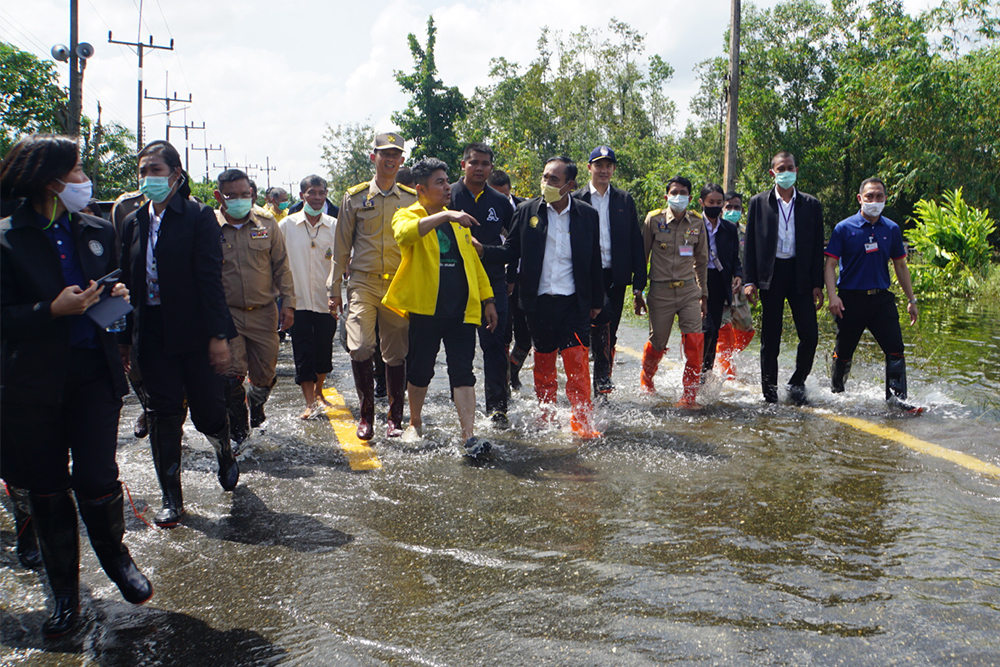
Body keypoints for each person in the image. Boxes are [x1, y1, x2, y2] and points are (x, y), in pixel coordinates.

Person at [1, 134, 153, 638]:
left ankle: (116, 558)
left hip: (93, 371)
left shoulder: (94, 229)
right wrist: (51, 310)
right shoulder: (7, 237)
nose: (85, 180)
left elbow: (104, 285)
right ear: (50, 179)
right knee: (46, 485)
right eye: (77, 171)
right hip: (31, 382)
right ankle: (65, 592)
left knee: (95, 475)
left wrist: (113, 295)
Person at [119, 140, 238, 528]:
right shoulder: (132, 221)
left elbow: (210, 279)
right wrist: (124, 339)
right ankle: (172, 498)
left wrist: (219, 335)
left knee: (206, 412)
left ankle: (224, 450)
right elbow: (126, 279)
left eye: (155, 170)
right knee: (162, 414)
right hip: (151, 335)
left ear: (175, 174)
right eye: (142, 171)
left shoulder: (197, 217)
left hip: (195, 332)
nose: (148, 178)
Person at [383, 158, 498, 457]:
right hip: (425, 311)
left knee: (463, 372)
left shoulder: (458, 221)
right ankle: (415, 422)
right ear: (421, 189)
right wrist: (446, 216)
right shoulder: (407, 215)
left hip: (461, 311)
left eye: (447, 181)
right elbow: (406, 235)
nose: (448, 186)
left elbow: (474, 264)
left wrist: (488, 300)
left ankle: (468, 436)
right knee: (421, 370)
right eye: (440, 182)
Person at [488, 156, 603, 438]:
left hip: (574, 303)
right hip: (538, 303)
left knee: (577, 362)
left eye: (554, 179)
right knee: (544, 362)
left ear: (570, 185)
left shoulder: (587, 215)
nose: (547, 184)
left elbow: (594, 262)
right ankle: (546, 415)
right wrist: (483, 250)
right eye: (545, 177)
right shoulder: (528, 211)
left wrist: (597, 302)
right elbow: (511, 250)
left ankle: (582, 422)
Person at [328, 133, 416, 440]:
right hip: (363, 282)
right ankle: (366, 415)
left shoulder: (410, 198)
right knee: (362, 345)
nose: (390, 159)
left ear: (402, 160)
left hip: (398, 284)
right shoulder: (354, 197)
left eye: (396, 155)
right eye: (384, 154)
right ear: (373, 157)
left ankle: (395, 418)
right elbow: (341, 247)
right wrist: (333, 291)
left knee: (396, 354)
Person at [214, 169, 295, 444]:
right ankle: (239, 433)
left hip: (264, 312)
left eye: (245, 195)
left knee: (264, 375)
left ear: (253, 195)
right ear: (218, 196)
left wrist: (289, 304)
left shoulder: (267, 222)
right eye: (231, 196)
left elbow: (282, 266)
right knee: (231, 375)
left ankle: (255, 403)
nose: (239, 200)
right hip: (228, 315)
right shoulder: (209, 226)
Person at [824, 177, 920, 409]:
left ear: (885, 199)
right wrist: (832, 296)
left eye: (879, 196)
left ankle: (897, 401)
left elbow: (900, 266)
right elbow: (829, 265)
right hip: (850, 300)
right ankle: (837, 393)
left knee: (895, 349)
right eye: (869, 196)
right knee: (844, 352)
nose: (874, 200)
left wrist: (911, 300)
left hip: (881, 300)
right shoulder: (844, 228)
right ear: (860, 199)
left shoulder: (891, 229)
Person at [744, 151, 825, 405]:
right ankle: (770, 393)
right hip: (771, 274)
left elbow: (816, 249)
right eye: (781, 168)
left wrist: (817, 284)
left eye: (790, 167)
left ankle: (797, 382)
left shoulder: (811, 205)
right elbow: (750, 246)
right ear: (773, 173)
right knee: (771, 338)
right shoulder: (758, 202)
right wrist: (749, 280)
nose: (786, 172)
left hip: (800, 274)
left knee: (810, 335)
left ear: (796, 170)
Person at [572, 146, 646, 395]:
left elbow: (636, 241)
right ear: (589, 167)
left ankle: (602, 382)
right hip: (584, 275)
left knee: (610, 330)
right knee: (588, 325)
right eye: (599, 165)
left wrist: (639, 282)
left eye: (608, 166)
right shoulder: (577, 198)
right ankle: (593, 378)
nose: (604, 170)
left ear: (613, 169)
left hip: (614, 274)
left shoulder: (623, 200)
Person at [451, 142, 514, 426]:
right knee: (459, 347)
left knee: (495, 343)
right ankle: (463, 409)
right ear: (463, 164)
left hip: (494, 282)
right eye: (473, 162)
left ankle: (497, 407)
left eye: (485, 164)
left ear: (491, 167)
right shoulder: (448, 196)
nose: (479, 168)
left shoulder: (501, 202)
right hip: (454, 282)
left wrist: (509, 273)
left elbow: (515, 246)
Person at [639, 176, 708, 408]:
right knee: (658, 342)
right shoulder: (653, 219)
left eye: (683, 193)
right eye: (674, 192)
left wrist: (703, 294)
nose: (679, 197)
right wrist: (637, 291)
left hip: (689, 290)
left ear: (690, 197)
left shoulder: (698, 223)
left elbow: (701, 260)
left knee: (695, 341)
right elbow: (643, 256)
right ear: (667, 195)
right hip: (660, 292)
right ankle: (647, 380)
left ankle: (689, 396)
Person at [279, 175, 338, 419]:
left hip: (326, 301)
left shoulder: (335, 225)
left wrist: (337, 294)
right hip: (297, 299)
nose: (316, 197)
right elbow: (278, 262)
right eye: (312, 192)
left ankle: (319, 391)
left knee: (324, 350)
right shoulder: (287, 226)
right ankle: (309, 402)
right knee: (303, 350)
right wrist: (283, 300)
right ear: (302, 195)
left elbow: (342, 261)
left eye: (321, 193)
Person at [112, 187, 152, 438]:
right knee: (135, 368)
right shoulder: (127, 210)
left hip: (180, 310)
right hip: (136, 303)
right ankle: (149, 408)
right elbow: (118, 266)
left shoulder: (195, 211)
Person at [488, 169, 531, 390]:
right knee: (502, 334)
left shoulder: (525, 208)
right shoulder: (483, 208)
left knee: (525, 337)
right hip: (497, 280)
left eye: (503, 196)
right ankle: (504, 380)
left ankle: (512, 369)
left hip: (523, 280)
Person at [698, 183, 743, 376]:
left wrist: (739, 275)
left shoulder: (729, 229)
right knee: (702, 329)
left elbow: (734, 258)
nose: (715, 206)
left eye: (718, 202)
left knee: (713, 331)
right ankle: (694, 370)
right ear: (702, 202)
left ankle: (705, 374)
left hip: (719, 282)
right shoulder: (693, 225)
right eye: (711, 202)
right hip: (697, 280)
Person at [714, 191, 756, 379]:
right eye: (728, 207)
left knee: (746, 326)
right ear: (722, 208)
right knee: (723, 328)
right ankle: (726, 370)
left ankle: (724, 356)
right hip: (720, 288)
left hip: (740, 291)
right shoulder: (715, 229)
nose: (732, 210)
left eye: (736, 207)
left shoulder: (747, 233)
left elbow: (751, 260)